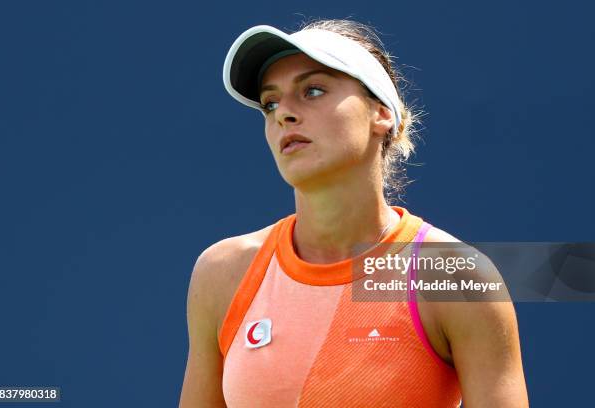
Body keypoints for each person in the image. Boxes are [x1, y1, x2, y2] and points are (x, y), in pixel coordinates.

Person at [179, 19, 529, 407]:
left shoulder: (453, 278)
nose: (284, 115)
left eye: (312, 90)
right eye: (270, 103)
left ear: (381, 113)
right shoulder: (222, 273)